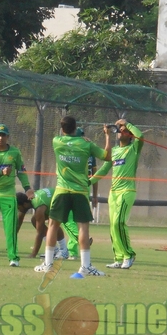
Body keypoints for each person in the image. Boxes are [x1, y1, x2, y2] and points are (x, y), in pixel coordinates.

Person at [36, 116, 111, 276]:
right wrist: (107, 135)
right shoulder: (86, 144)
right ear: (76, 127)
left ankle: (48, 264)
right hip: (80, 192)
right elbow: (107, 156)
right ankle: (85, 266)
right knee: (83, 228)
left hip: (62, 190)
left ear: (62, 129)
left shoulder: (56, 141)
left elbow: (65, 137)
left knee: (52, 226)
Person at [90, 118, 143, 269]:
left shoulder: (134, 148)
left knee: (119, 223)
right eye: (119, 129)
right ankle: (118, 258)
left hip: (127, 191)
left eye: (124, 130)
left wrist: (128, 124)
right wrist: (89, 181)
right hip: (113, 193)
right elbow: (103, 170)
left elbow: (141, 136)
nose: (121, 131)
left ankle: (129, 255)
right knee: (113, 226)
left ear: (130, 135)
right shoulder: (113, 151)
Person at [0, 123, 33, 267]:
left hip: (8, 195)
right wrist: (0, 172)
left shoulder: (14, 153)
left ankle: (13, 257)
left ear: (8, 137)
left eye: (3, 135)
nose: (1, 138)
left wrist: (27, 188)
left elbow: (21, 171)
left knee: (10, 228)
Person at [16, 188, 77, 259]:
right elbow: (19, 220)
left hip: (63, 202)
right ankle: (54, 249)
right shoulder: (29, 198)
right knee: (34, 220)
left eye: (18, 207)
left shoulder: (39, 208)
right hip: (55, 201)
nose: (18, 209)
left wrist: (33, 254)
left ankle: (63, 250)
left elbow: (40, 233)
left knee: (53, 224)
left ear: (25, 204)